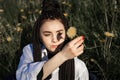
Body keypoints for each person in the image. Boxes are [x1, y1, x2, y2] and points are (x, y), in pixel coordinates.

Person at [16, 0, 89, 80]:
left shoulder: (78, 66)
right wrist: (63, 56)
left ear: (66, 32)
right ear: (39, 35)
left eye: (59, 33)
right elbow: (22, 77)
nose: (55, 40)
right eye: (47, 34)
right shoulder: (30, 51)